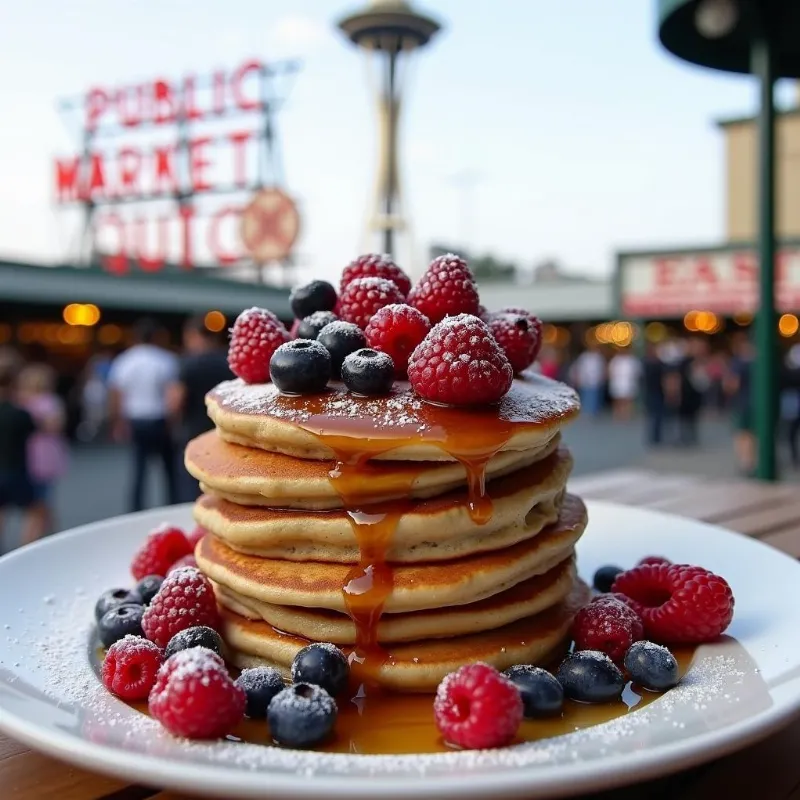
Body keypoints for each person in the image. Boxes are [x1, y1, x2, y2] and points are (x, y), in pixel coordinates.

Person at [108, 319, 179, 512]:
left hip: (135, 419)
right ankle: (172, 505)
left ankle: (136, 509)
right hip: (159, 418)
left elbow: (116, 394)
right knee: (168, 469)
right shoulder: (166, 359)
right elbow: (172, 394)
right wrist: (173, 420)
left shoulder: (125, 360)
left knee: (139, 468)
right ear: (156, 337)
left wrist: (117, 421)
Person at [167, 315, 232, 503]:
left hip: (193, 436)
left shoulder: (188, 364)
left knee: (192, 491)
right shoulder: (227, 362)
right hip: (223, 437)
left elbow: (175, 401)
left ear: (193, 335)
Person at [17, 363, 69, 534]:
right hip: (40, 455)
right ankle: (47, 533)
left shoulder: (28, 402)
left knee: (40, 500)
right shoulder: (46, 402)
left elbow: (55, 425)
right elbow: (56, 424)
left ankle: (44, 533)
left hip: (36, 456)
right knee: (41, 500)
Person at [0, 363, 46, 547]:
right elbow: (40, 428)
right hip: (16, 469)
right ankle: (27, 547)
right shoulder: (20, 413)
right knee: (36, 511)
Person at [726, 333, 756, 475]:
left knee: (742, 433)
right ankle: (753, 461)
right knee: (754, 434)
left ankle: (746, 463)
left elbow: (732, 385)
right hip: (757, 404)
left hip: (742, 402)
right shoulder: (760, 361)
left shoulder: (738, 363)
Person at [570, 341, 606, 417]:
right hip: (585, 379)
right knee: (585, 395)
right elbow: (579, 367)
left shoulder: (598, 357)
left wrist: (602, 376)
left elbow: (602, 368)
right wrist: (578, 377)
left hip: (595, 379)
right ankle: (586, 410)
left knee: (595, 395)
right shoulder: (584, 356)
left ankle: (593, 411)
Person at [608, 348, 641, 421]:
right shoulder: (616, 360)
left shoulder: (632, 360)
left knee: (628, 400)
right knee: (617, 399)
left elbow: (637, 372)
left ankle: (626, 414)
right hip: (617, 382)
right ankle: (617, 414)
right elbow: (610, 370)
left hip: (628, 382)